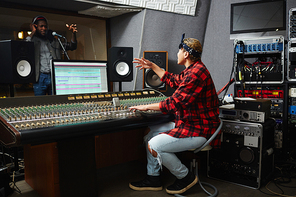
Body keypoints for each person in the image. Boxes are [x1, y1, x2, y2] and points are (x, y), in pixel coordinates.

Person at [129, 34, 221, 195]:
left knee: (154, 145)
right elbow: (174, 79)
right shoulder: (193, 69)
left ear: (186, 54)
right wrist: (152, 66)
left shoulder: (196, 73)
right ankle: (153, 178)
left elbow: (173, 103)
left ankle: (185, 176)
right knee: (151, 134)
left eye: (179, 50)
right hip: (189, 124)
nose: (177, 53)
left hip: (199, 130)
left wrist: (145, 106)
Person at [26, 15, 78, 96]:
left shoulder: (54, 41)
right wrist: (32, 32)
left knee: (55, 102)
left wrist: (73, 34)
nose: (44, 28)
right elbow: (24, 49)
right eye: (41, 26)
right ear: (35, 27)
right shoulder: (32, 41)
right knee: (40, 105)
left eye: (45, 26)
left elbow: (72, 46)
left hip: (54, 76)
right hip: (40, 78)